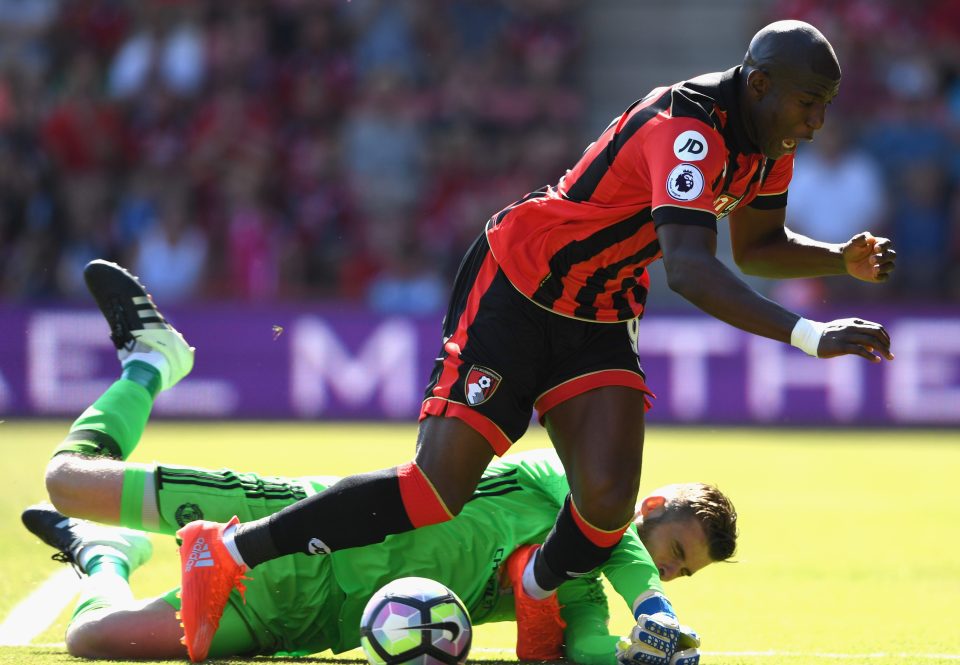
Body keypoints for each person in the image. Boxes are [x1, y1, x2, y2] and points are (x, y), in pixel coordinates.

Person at [95, 19, 897, 664]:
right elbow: (689, 268)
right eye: (806, 103)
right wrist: (809, 334)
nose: (816, 121)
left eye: (824, 105)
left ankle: (540, 595)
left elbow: (756, 247)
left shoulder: (768, 143)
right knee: (433, 490)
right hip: (518, 286)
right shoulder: (689, 129)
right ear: (760, 85)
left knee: (610, 497)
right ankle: (230, 550)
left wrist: (836, 259)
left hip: (598, 310)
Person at [33, 264, 737, 665]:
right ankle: (155, 361)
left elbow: (583, 644)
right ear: (651, 504)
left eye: (683, 571)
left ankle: (102, 556)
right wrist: (653, 605)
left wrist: (630, 656)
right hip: (281, 518)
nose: (672, 569)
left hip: (308, 617)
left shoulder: (572, 585)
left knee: (92, 640)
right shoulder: (565, 484)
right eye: (677, 550)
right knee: (66, 479)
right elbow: (616, 541)